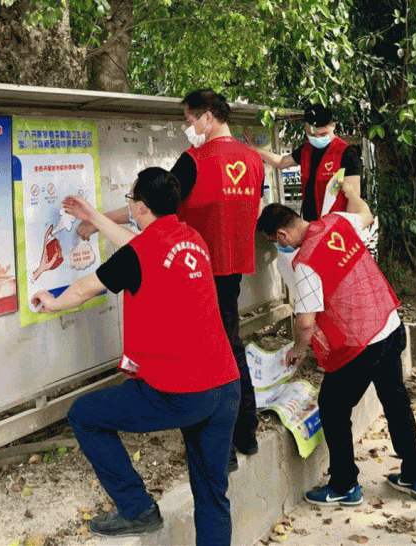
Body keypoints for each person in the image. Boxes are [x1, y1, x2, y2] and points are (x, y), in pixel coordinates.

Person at [34, 167, 240, 545]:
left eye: (130, 200)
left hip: (178, 391)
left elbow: (85, 288)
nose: (128, 206)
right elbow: (140, 245)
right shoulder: (192, 238)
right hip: (224, 386)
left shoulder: (139, 253)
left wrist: (51, 301)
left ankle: (136, 509)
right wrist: (93, 216)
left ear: (141, 206)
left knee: (85, 414)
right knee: (212, 496)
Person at [75, 89, 265, 470]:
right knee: (230, 343)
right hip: (233, 265)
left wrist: (98, 220)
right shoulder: (253, 159)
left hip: (196, 269)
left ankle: (223, 450)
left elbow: (153, 202)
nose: (187, 128)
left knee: (213, 356)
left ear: (208, 117)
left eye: (189, 120)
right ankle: (246, 433)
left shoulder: (196, 159)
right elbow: (256, 208)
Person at [255, 182, 416, 507]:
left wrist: (297, 350)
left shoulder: (305, 263)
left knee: (333, 407)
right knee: (396, 401)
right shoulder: (337, 221)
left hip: (361, 345)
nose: (279, 247)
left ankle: (344, 485)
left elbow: (305, 322)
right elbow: (365, 213)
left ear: (281, 235)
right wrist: (352, 194)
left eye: (275, 242)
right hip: (390, 325)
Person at [246, 103, 361, 221]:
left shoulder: (347, 153)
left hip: (335, 223)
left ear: (333, 126)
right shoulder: (306, 149)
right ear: (306, 127)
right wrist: (255, 149)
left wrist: (346, 227)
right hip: (310, 222)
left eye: (323, 134)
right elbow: (281, 162)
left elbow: (354, 198)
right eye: (312, 134)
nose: (318, 138)